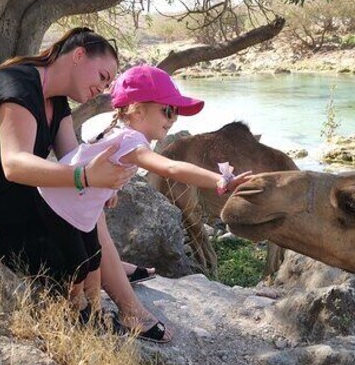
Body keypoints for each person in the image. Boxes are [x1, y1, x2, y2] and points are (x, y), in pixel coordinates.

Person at [0, 27, 159, 339]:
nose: (104, 88)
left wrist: (102, 184)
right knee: (67, 246)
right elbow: (15, 164)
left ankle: (109, 287)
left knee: (85, 217)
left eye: (109, 83)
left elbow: (74, 159)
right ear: (78, 55)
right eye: (102, 76)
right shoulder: (17, 87)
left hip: (1, 196)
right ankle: (108, 304)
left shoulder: (56, 102)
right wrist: (86, 178)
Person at [38, 65, 252, 342]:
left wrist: (106, 190)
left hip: (65, 210)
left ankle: (88, 320)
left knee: (88, 268)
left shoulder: (113, 134)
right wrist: (221, 181)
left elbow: (88, 159)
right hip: (62, 216)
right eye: (168, 111)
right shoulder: (132, 140)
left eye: (176, 112)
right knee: (83, 271)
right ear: (138, 110)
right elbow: (171, 168)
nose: (173, 119)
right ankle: (85, 324)